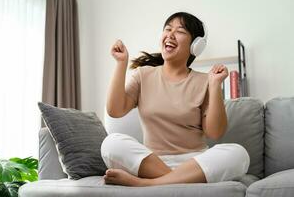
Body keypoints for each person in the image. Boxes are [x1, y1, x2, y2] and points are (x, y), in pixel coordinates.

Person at [101, 12, 250, 187]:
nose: (170, 34)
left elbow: (215, 132)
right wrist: (121, 63)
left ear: (196, 46)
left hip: (195, 162)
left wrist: (215, 85)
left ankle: (149, 184)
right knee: (111, 143)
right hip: (151, 162)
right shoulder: (143, 75)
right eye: (167, 29)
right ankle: (178, 180)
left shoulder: (206, 81)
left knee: (238, 154)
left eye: (180, 31)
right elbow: (115, 110)